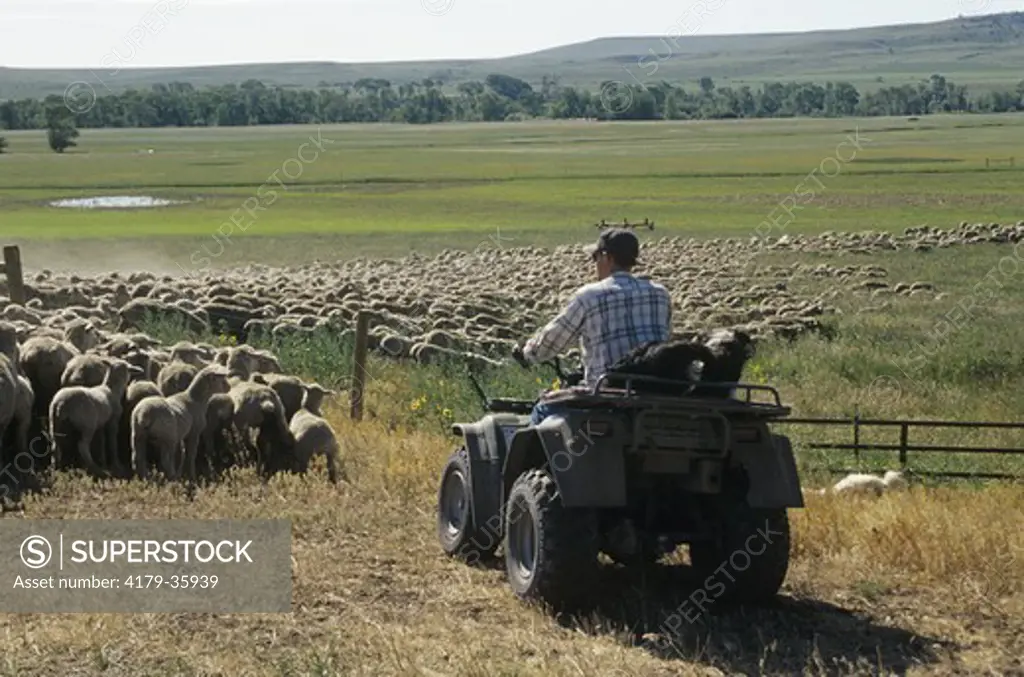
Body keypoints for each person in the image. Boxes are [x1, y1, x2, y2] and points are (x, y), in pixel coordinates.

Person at [512, 228, 672, 425]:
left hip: (607, 395)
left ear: (607, 257)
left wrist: (528, 353)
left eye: (595, 257)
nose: (594, 264)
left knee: (543, 408)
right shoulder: (660, 294)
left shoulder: (590, 296)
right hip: (655, 393)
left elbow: (554, 340)